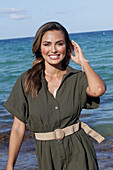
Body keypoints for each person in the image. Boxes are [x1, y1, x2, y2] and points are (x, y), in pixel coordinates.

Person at [3, 21, 106, 170]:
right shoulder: (26, 81)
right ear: (39, 47)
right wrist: (10, 165)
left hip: (79, 152)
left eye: (59, 44)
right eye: (47, 44)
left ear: (68, 47)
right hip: (46, 155)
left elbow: (98, 90)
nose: (53, 50)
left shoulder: (77, 78)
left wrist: (83, 62)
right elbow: (18, 127)